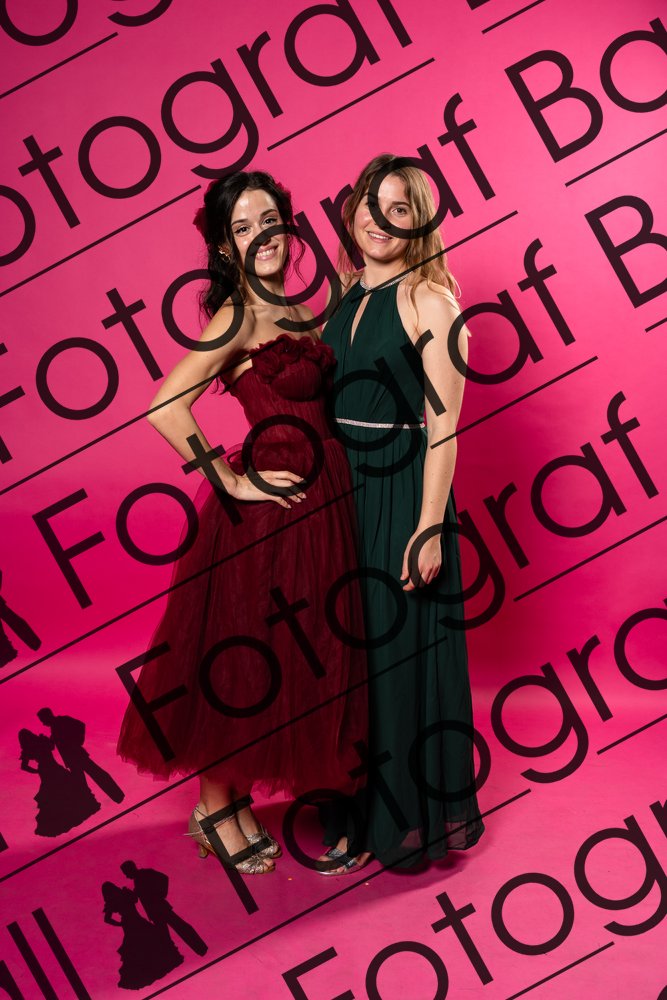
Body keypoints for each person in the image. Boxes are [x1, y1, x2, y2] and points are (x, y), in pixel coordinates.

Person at [116, 171, 367, 876]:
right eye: (244, 226)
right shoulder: (237, 317)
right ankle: (215, 807)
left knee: (299, 650)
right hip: (266, 516)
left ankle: (242, 799)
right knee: (246, 654)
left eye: (271, 220)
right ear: (226, 247)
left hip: (325, 503)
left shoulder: (300, 308)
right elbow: (166, 406)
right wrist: (230, 479)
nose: (263, 235)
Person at [319, 154, 485, 871]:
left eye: (398, 208)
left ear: (419, 222)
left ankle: (388, 823)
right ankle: (350, 809)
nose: (379, 219)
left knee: (392, 662)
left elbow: (444, 425)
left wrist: (428, 527)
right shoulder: (344, 293)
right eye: (370, 203)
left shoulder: (430, 300)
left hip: (401, 490)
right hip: (339, 491)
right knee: (346, 659)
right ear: (352, 209)